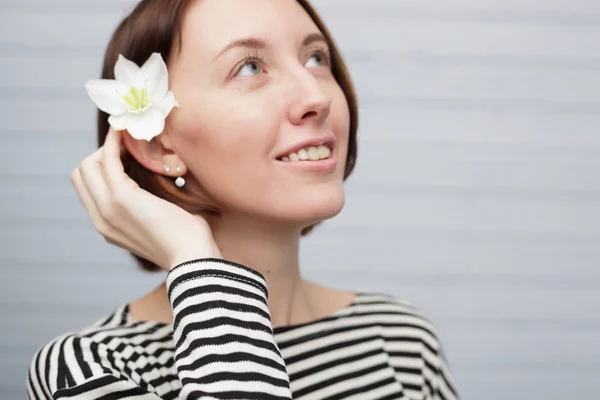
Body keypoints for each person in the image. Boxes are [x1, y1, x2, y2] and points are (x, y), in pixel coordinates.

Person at [26, 0, 459, 399]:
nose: (316, 96)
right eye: (250, 67)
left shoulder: (399, 338)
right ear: (160, 146)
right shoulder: (93, 369)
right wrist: (196, 260)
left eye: (315, 58)